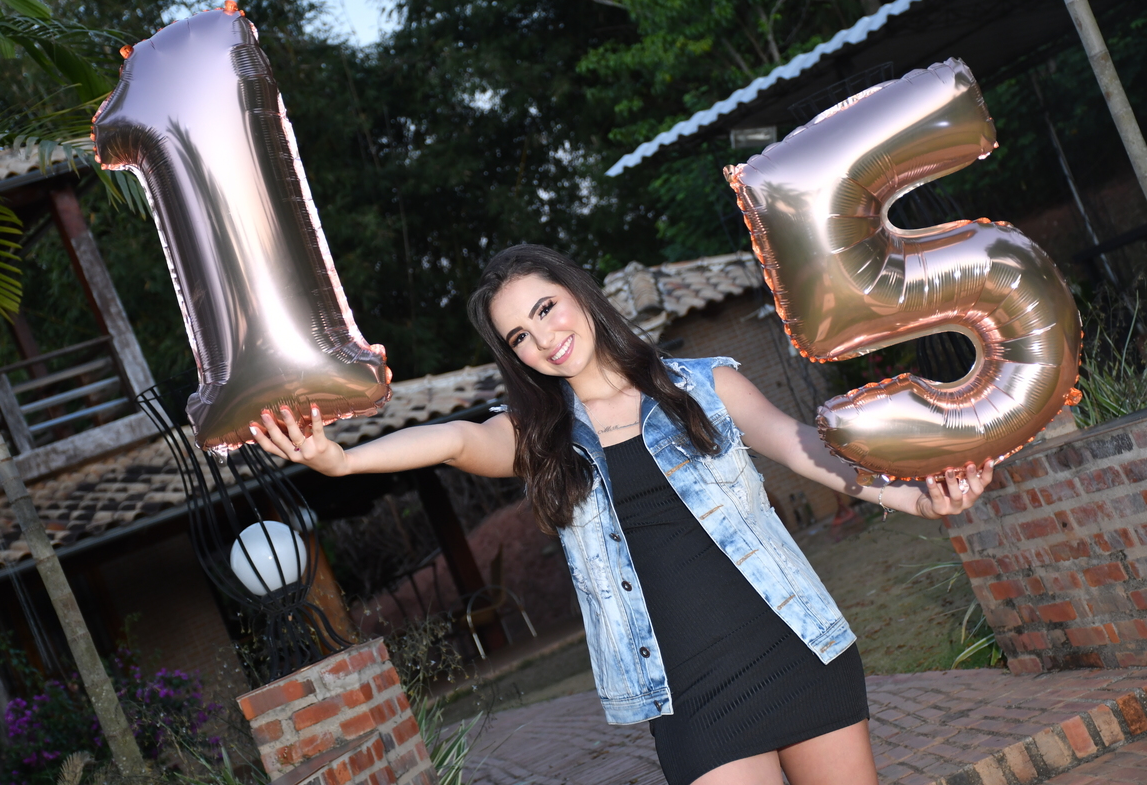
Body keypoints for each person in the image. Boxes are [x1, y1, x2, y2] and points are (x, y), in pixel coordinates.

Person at [252, 244, 994, 785]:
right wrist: (341, 460)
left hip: (794, 648)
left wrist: (915, 497)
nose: (543, 338)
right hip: (691, 696)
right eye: (519, 336)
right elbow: (456, 440)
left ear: (576, 294)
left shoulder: (705, 386)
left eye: (545, 309)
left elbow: (805, 449)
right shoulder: (541, 440)